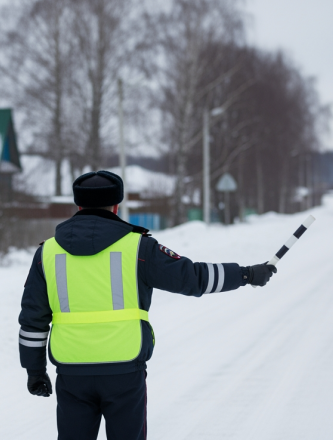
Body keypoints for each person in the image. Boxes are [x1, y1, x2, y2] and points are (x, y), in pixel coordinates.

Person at [18, 170, 277, 440]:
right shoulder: (139, 248)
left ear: (78, 205)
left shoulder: (47, 253)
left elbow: (32, 319)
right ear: (116, 206)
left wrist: (35, 371)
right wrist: (246, 274)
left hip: (72, 372)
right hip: (124, 369)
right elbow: (193, 279)